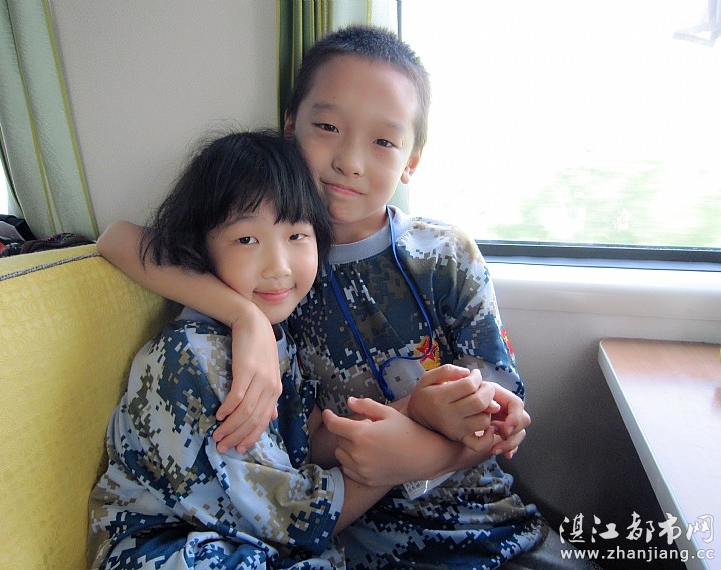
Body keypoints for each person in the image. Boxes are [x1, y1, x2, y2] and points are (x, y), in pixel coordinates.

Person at [98, 26, 596, 569]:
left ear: (412, 159)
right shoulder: (274, 286)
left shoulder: (443, 257)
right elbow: (118, 240)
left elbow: (498, 420)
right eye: (328, 127)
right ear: (291, 127)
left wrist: (418, 451)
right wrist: (245, 318)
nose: (350, 161)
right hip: (359, 540)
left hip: (486, 519)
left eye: (383, 142)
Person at [89, 130, 412, 569]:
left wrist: (413, 415)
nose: (278, 267)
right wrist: (400, 462)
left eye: (297, 235)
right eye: (246, 240)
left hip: (244, 541)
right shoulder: (191, 358)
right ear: (200, 247)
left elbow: (306, 443)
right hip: (169, 551)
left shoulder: (279, 333)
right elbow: (292, 523)